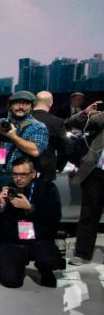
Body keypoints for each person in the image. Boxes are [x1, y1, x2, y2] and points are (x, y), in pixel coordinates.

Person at [0, 91, 49, 259]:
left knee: (12, 217)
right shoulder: (2, 124)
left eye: (25, 103)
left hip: (16, 178)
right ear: (10, 106)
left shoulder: (37, 127)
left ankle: (12, 250)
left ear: (31, 106)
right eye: (17, 103)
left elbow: (35, 150)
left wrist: (13, 136)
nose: (20, 106)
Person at [0, 158, 62, 288]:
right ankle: (7, 262)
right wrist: (2, 204)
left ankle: (45, 269)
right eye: (15, 174)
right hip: (14, 241)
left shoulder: (47, 188)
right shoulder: (9, 190)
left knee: (50, 260)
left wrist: (30, 208)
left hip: (39, 239)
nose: (18, 178)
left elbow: (55, 217)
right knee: (11, 281)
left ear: (33, 173)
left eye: (23, 175)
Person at [65, 100, 104, 265]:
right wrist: (85, 112)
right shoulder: (102, 118)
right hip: (97, 173)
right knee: (89, 214)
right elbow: (71, 123)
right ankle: (82, 253)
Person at [31, 91, 69, 181]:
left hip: (24, 170)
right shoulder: (57, 122)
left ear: (35, 102)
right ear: (51, 103)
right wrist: (59, 165)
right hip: (47, 169)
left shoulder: (24, 119)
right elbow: (65, 148)